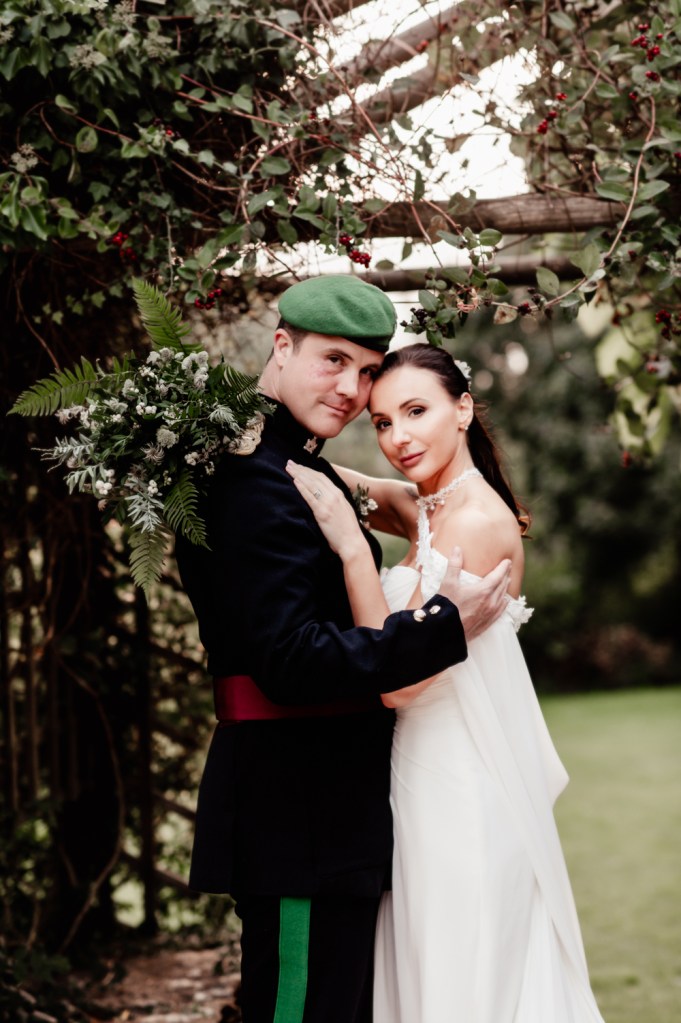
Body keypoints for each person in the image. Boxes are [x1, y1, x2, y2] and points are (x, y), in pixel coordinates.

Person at [174, 276, 512, 1023]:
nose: (352, 389)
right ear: (282, 344)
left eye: (366, 371)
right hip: (298, 813)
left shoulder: (296, 465)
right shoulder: (252, 481)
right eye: (334, 361)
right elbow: (292, 661)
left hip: (327, 815)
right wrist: (438, 627)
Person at [287, 342, 606, 1022]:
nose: (397, 437)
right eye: (379, 421)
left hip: (460, 792)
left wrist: (351, 551)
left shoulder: (474, 522)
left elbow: (395, 681)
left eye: (414, 411)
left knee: (460, 982)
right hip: (419, 781)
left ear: (462, 408)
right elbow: (324, 479)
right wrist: (253, 443)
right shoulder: (431, 506)